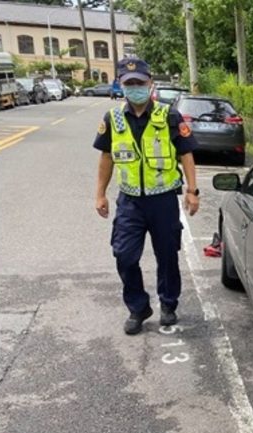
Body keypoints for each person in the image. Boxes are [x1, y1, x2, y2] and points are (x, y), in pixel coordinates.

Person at [93, 57, 199, 335]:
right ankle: (139, 307)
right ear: (121, 86)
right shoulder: (113, 119)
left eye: (140, 82)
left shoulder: (169, 116)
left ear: (150, 83)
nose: (135, 87)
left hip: (163, 200)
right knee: (124, 255)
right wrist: (100, 194)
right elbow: (107, 158)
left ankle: (168, 304)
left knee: (167, 256)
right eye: (130, 84)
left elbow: (186, 154)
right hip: (130, 202)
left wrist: (192, 191)